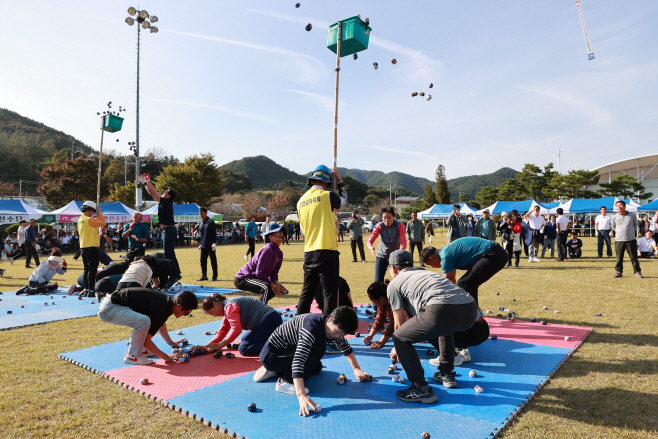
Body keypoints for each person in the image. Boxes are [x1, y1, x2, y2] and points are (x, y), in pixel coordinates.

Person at [386, 250, 477, 403]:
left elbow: (399, 324)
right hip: (469, 308)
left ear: (393, 268)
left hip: (441, 309)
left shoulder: (394, 284)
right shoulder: (427, 274)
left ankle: (420, 388)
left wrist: (398, 347)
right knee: (444, 327)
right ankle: (446, 373)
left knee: (400, 338)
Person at [255, 306, 368, 416]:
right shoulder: (311, 329)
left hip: (285, 353)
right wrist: (301, 395)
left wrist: (356, 368)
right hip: (273, 356)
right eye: (338, 331)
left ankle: (276, 370)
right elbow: (299, 360)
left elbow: (345, 347)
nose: (338, 336)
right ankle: (284, 381)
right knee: (318, 349)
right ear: (330, 319)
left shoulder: (330, 326)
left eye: (342, 334)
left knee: (316, 367)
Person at [295, 165, 347, 316]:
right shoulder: (328, 196)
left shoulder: (300, 201)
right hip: (327, 251)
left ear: (311, 181)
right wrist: (340, 179)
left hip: (309, 252)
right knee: (330, 293)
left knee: (307, 292)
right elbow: (344, 200)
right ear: (327, 182)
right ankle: (327, 329)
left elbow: (303, 229)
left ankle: (298, 324)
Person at [98, 288, 198, 365]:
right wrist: (166, 357)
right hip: (109, 309)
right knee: (144, 321)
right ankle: (132, 356)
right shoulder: (162, 308)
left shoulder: (168, 304)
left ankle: (140, 349)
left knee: (145, 321)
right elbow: (146, 340)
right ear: (179, 306)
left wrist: (170, 342)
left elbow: (161, 323)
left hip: (113, 304)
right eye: (186, 313)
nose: (184, 315)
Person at [419, 236, 508, 305]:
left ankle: (471, 314)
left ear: (432, 258)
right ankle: (474, 313)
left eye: (430, 264)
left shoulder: (445, 257)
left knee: (464, 283)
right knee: (469, 283)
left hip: (494, 254)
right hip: (495, 252)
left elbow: (446, 284)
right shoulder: (446, 252)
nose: (433, 267)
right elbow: (451, 282)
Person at [192, 293, 283, 357]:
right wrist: (205, 346)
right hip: (267, 322)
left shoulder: (230, 307)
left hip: (270, 321)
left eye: (212, 313)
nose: (214, 316)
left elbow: (236, 330)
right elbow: (222, 332)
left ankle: (280, 345)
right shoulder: (227, 307)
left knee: (244, 348)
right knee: (244, 340)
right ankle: (273, 340)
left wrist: (220, 345)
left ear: (215, 304)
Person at [141, 176, 182, 285]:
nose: (162, 193)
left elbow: (153, 193)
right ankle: (176, 274)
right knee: (170, 254)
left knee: (168, 254)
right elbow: (154, 191)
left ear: (168, 196)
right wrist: (148, 181)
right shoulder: (166, 202)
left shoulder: (166, 202)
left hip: (168, 230)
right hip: (168, 230)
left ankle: (174, 275)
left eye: (165, 192)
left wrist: (145, 183)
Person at [234, 223, 286, 303]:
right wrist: (273, 286)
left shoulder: (280, 253)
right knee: (266, 288)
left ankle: (256, 310)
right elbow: (260, 273)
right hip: (243, 278)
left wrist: (276, 283)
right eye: (278, 232)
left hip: (253, 278)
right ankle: (259, 313)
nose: (281, 233)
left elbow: (274, 273)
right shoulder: (267, 250)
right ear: (270, 237)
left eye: (282, 232)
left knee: (271, 290)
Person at [367, 206, 407, 283]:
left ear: (394, 217)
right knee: (378, 281)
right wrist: (370, 247)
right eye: (384, 217)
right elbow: (370, 241)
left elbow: (404, 244)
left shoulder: (399, 225)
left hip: (395, 257)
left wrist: (396, 255)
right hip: (382, 256)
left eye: (389, 217)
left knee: (398, 280)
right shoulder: (379, 226)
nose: (386, 220)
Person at [77, 201, 106, 298]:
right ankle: (92, 291)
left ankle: (87, 289)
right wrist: (99, 213)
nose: (93, 213)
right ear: (89, 210)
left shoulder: (80, 219)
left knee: (86, 270)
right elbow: (103, 222)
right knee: (92, 270)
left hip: (83, 247)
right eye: (93, 211)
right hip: (90, 248)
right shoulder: (89, 220)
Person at [611, 200, 642, 278]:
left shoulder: (632, 215)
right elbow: (613, 227)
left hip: (630, 239)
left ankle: (637, 272)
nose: (619, 207)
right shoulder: (614, 216)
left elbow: (635, 225)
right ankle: (618, 272)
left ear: (625, 206)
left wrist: (629, 232)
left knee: (634, 257)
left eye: (621, 205)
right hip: (619, 240)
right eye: (617, 205)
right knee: (619, 257)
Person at [197, 207, 218, 281]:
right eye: (199, 213)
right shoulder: (201, 222)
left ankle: (215, 276)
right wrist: (200, 244)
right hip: (203, 245)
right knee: (202, 261)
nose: (201, 214)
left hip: (210, 244)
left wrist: (214, 243)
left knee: (213, 261)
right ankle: (204, 275)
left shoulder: (210, 222)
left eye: (202, 213)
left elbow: (214, 233)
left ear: (206, 213)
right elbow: (202, 234)